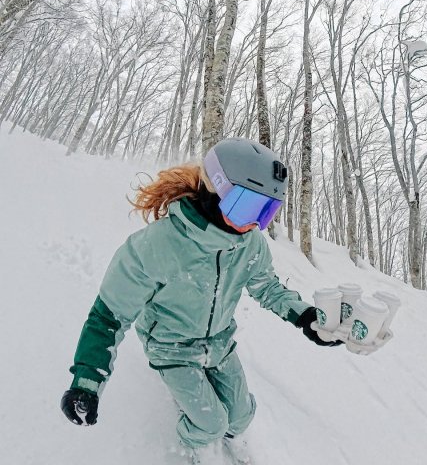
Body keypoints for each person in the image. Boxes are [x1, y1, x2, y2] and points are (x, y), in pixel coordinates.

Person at [61, 137, 346, 448]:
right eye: (247, 207)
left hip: (219, 342)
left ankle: (215, 423)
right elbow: (108, 317)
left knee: (241, 418)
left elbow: (266, 286)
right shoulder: (156, 246)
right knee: (210, 425)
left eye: (265, 211)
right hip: (171, 346)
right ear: (216, 190)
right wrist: (87, 382)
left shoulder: (249, 242)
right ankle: (187, 459)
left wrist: (304, 317)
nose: (253, 222)